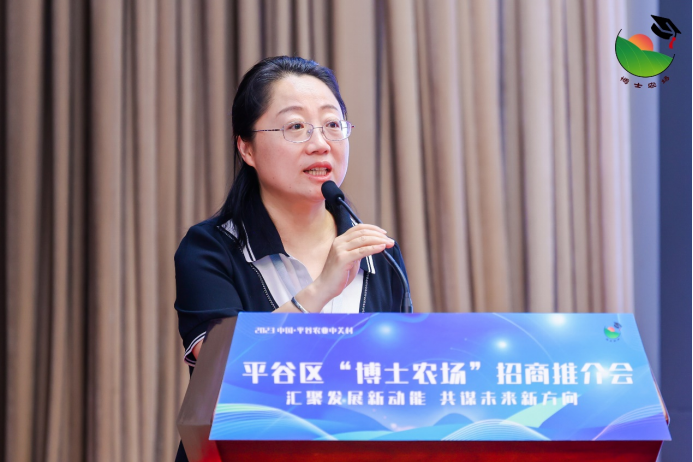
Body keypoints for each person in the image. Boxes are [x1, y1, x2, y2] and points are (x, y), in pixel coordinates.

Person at [174, 56, 409, 461]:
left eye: (333, 124)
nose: (321, 143)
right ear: (246, 148)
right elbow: (222, 372)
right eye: (296, 127)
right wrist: (318, 291)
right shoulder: (211, 248)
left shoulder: (376, 252)